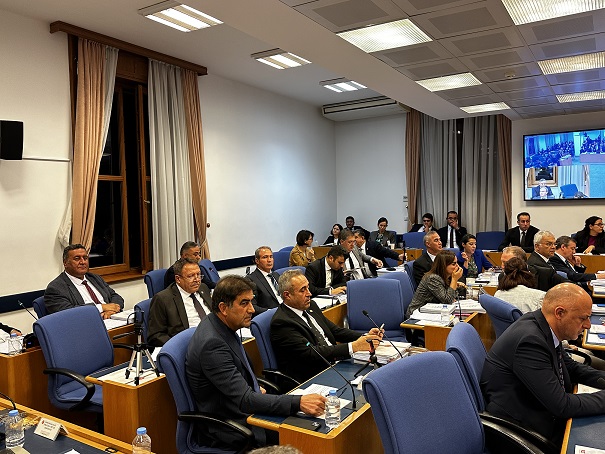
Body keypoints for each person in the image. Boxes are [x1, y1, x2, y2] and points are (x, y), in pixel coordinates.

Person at [186, 275, 325, 448]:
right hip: (231, 426)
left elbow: (235, 376)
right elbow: (246, 400)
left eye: (251, 302)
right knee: (308, 436)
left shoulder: (222, 325)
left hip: (242, 408)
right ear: (223, 308)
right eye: (244, 303)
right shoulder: (212, 345)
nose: (252, 309)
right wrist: (299, 402)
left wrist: (252, 385)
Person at [480, 283, 605, 446]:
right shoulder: (530, 341)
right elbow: (562, 406)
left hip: (540, 410)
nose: (588, 325)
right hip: (526, 431)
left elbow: (571, 367)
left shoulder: (544, 326)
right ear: (559, 313)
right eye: (583, 318)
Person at [270, 270, 382, 383]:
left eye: (308, 288)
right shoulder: (282, 323)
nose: (309, 293)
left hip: (336, 363)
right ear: (287, 295)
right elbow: (310, 353)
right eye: (302, 290)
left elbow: (335, 331)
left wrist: (366, 337)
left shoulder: (311, 306)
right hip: (314, 375)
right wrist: (353, 346)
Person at [45, 244, 124, 317]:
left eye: (85, 258)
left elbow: (115, 296)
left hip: (111, 318)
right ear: (65, 263)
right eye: (77, 258)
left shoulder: (94, 278)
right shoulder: (56, 288)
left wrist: (111, 311)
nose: (82, 262)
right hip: (85, 324)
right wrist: (101, 307)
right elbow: (69, 313)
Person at [147, 258, 212, 347]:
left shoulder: (203, 288)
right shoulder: (163, 299)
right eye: (191, 276)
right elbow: (155, 336)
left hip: (212, 338)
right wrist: (180, 346)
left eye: (198, 274)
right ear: (178, 279)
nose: (197, 280)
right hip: (189, 345)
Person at [406, 250, 464, 319]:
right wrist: (454, 280)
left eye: (457, 263)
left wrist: (454, 283)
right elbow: (448, 301)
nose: (457, 266)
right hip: (416, 315)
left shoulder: (446, 276)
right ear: (443, 265)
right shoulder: (432, 278)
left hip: (432, 312)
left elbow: (452, 297)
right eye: (453, 264)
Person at [246, 246, 281, 312]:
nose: (269, 260)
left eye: (271, 257)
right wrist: (271, 312)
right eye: (265, 257)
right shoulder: (250, 280)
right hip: (270, 314)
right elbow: (252, 306)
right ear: (257, 261)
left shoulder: (276, 275)